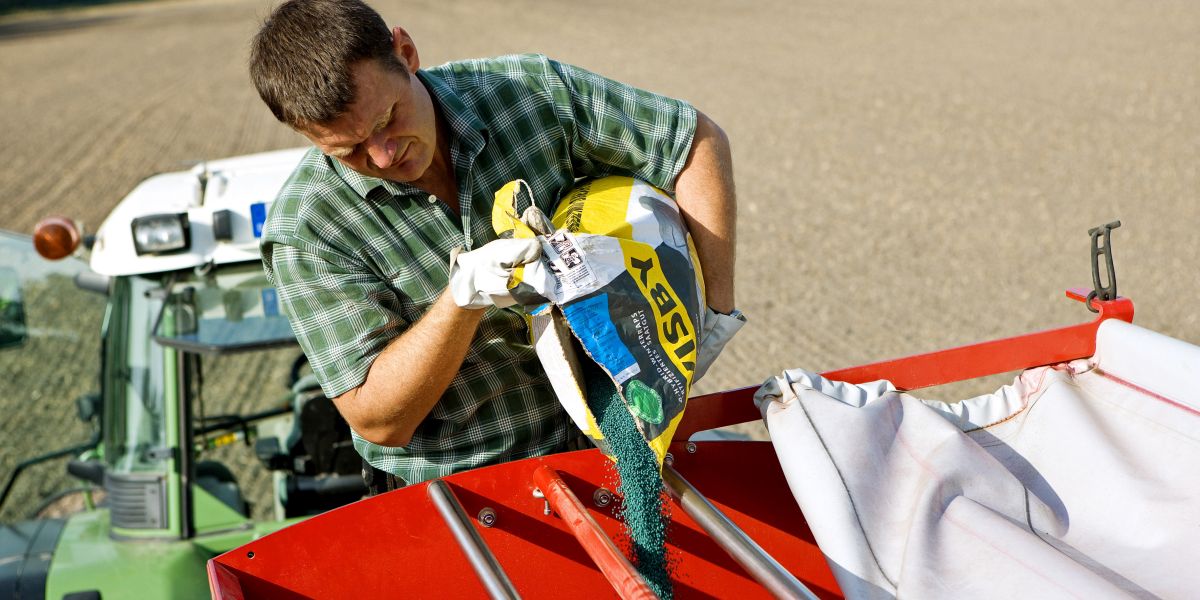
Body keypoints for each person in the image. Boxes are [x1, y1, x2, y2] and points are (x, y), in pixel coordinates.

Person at [249, 0, 743, 493]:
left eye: (386, 121)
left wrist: (715, 311)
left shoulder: (525, 93)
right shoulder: (308, 233)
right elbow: (379, 421)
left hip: (613, 426)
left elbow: (690, 141)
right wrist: (461, 301)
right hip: (467, 488)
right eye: (350, 151)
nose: (383, 155)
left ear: (405, 53)